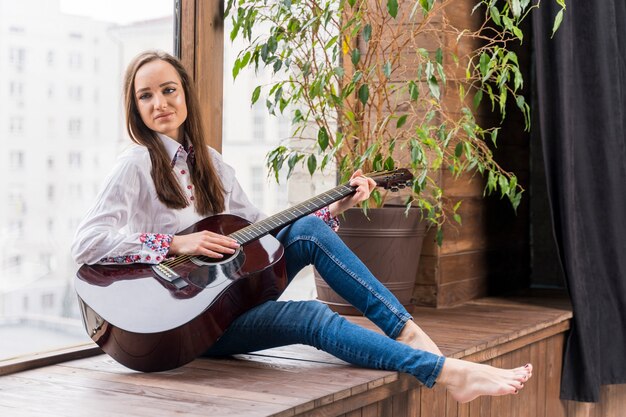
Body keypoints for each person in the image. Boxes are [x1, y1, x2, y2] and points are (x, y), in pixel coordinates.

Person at [71, 50, 532, 404]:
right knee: (310, 316)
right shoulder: (135, 164)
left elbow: (262, 235)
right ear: (134, 108)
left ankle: (410, 334)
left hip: (230, 299)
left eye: (168, 90)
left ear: (186, 94)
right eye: (145, 95)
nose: (159, 103)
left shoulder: (211, 165)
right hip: (190, 329)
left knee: (307, 230)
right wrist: (176, 241)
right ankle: (446, 372)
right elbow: (86, 244)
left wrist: (340, 205)